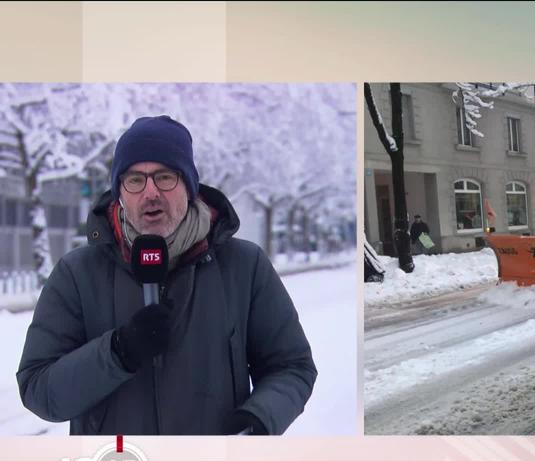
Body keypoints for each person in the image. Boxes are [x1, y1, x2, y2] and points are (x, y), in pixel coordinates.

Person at [17, 116, 317, 435]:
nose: (151, 193)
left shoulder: (245, 266)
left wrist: (259, 419)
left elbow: (291, 367)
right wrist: (117, 352)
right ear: (119, 191)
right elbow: (39, 389)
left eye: (164, 177)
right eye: (135, 179)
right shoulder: (76, 274)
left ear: (188, 186)